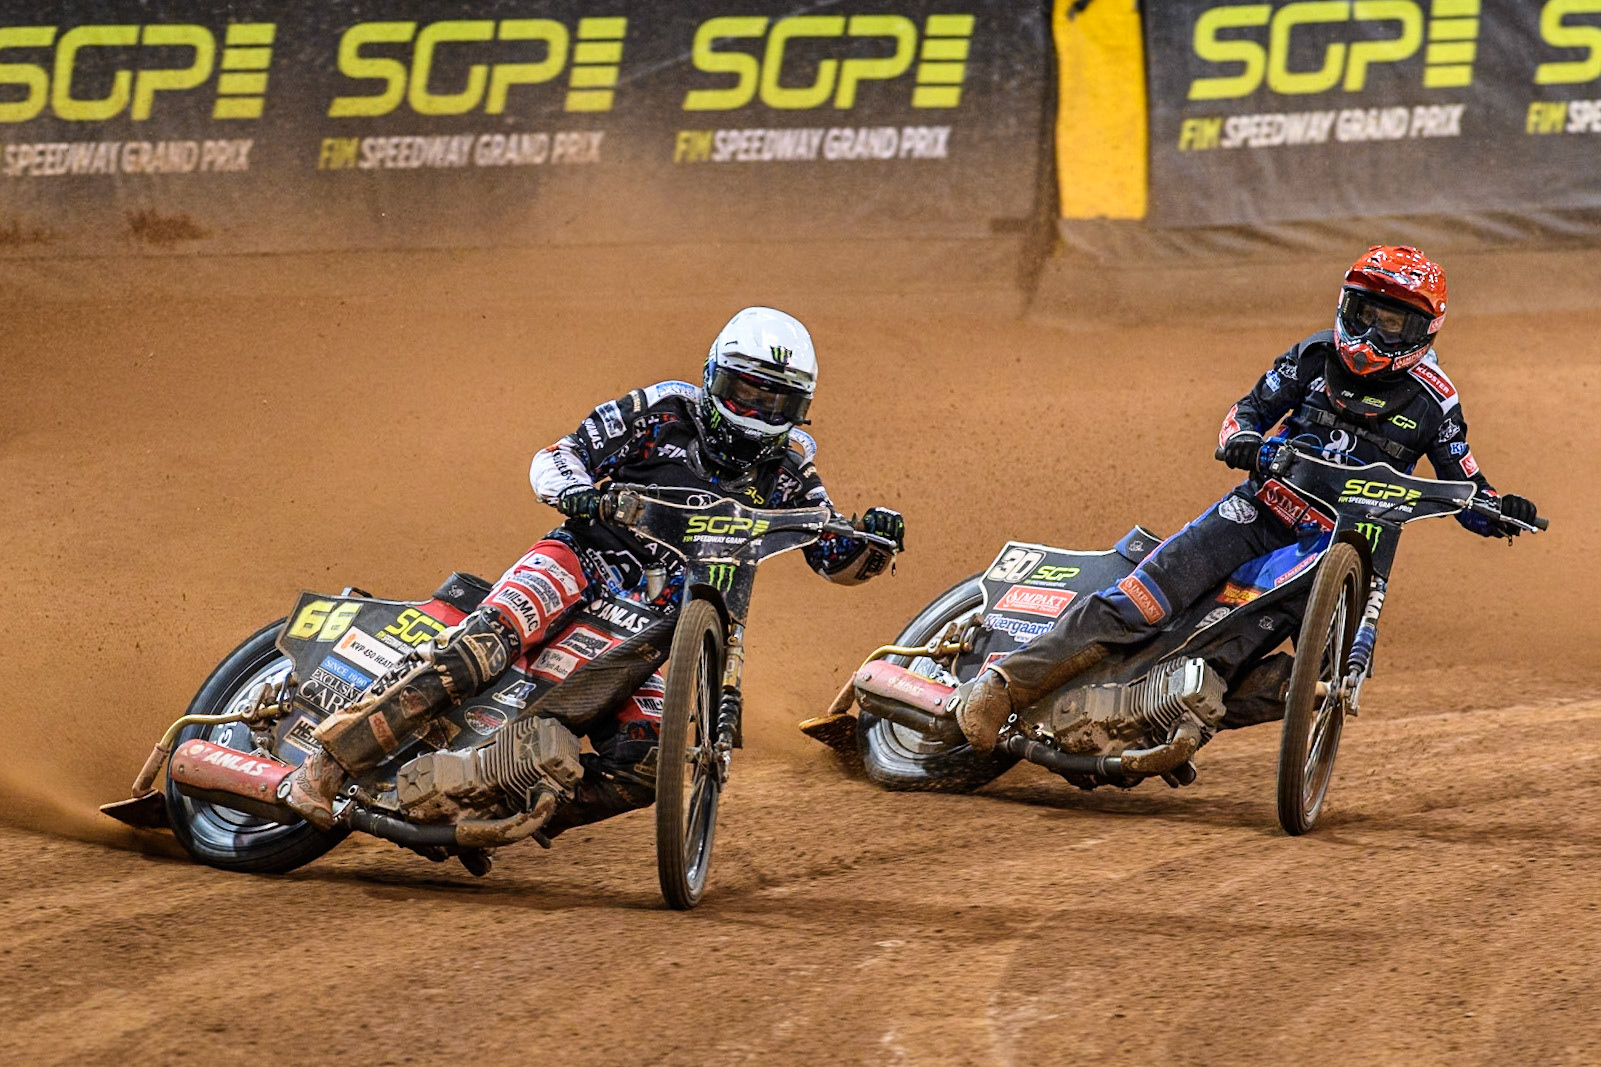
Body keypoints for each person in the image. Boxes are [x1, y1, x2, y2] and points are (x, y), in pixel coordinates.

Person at [284, 306, 905, 830]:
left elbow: (834, 557)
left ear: (801, 408)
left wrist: (871, 540)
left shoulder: (791, 468)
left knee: (651, 761)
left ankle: (501, 810)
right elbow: (558, 455)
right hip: (583, 558)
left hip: (662, 624)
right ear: (715, 376)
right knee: (482, 649)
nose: (759, 412)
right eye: (747, 392)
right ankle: (331, 762)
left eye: (778, 402)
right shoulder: (662, 408)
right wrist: (577, 491)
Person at [955, 245, 1540, 753]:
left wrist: (1499, 510)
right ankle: (1003, 686)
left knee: (1309, 677)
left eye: (1392, 324)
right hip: (1260, 510)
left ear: (1423, 333)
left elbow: (1464, 483)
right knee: (1143, 602)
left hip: (1337, 550)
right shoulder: (1314, 357)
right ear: (1345, 307)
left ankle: (1162, 720)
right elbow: (1247, 412)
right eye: (1365, 314)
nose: (1371, 334)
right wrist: (1244, 442)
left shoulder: (1435, 402)